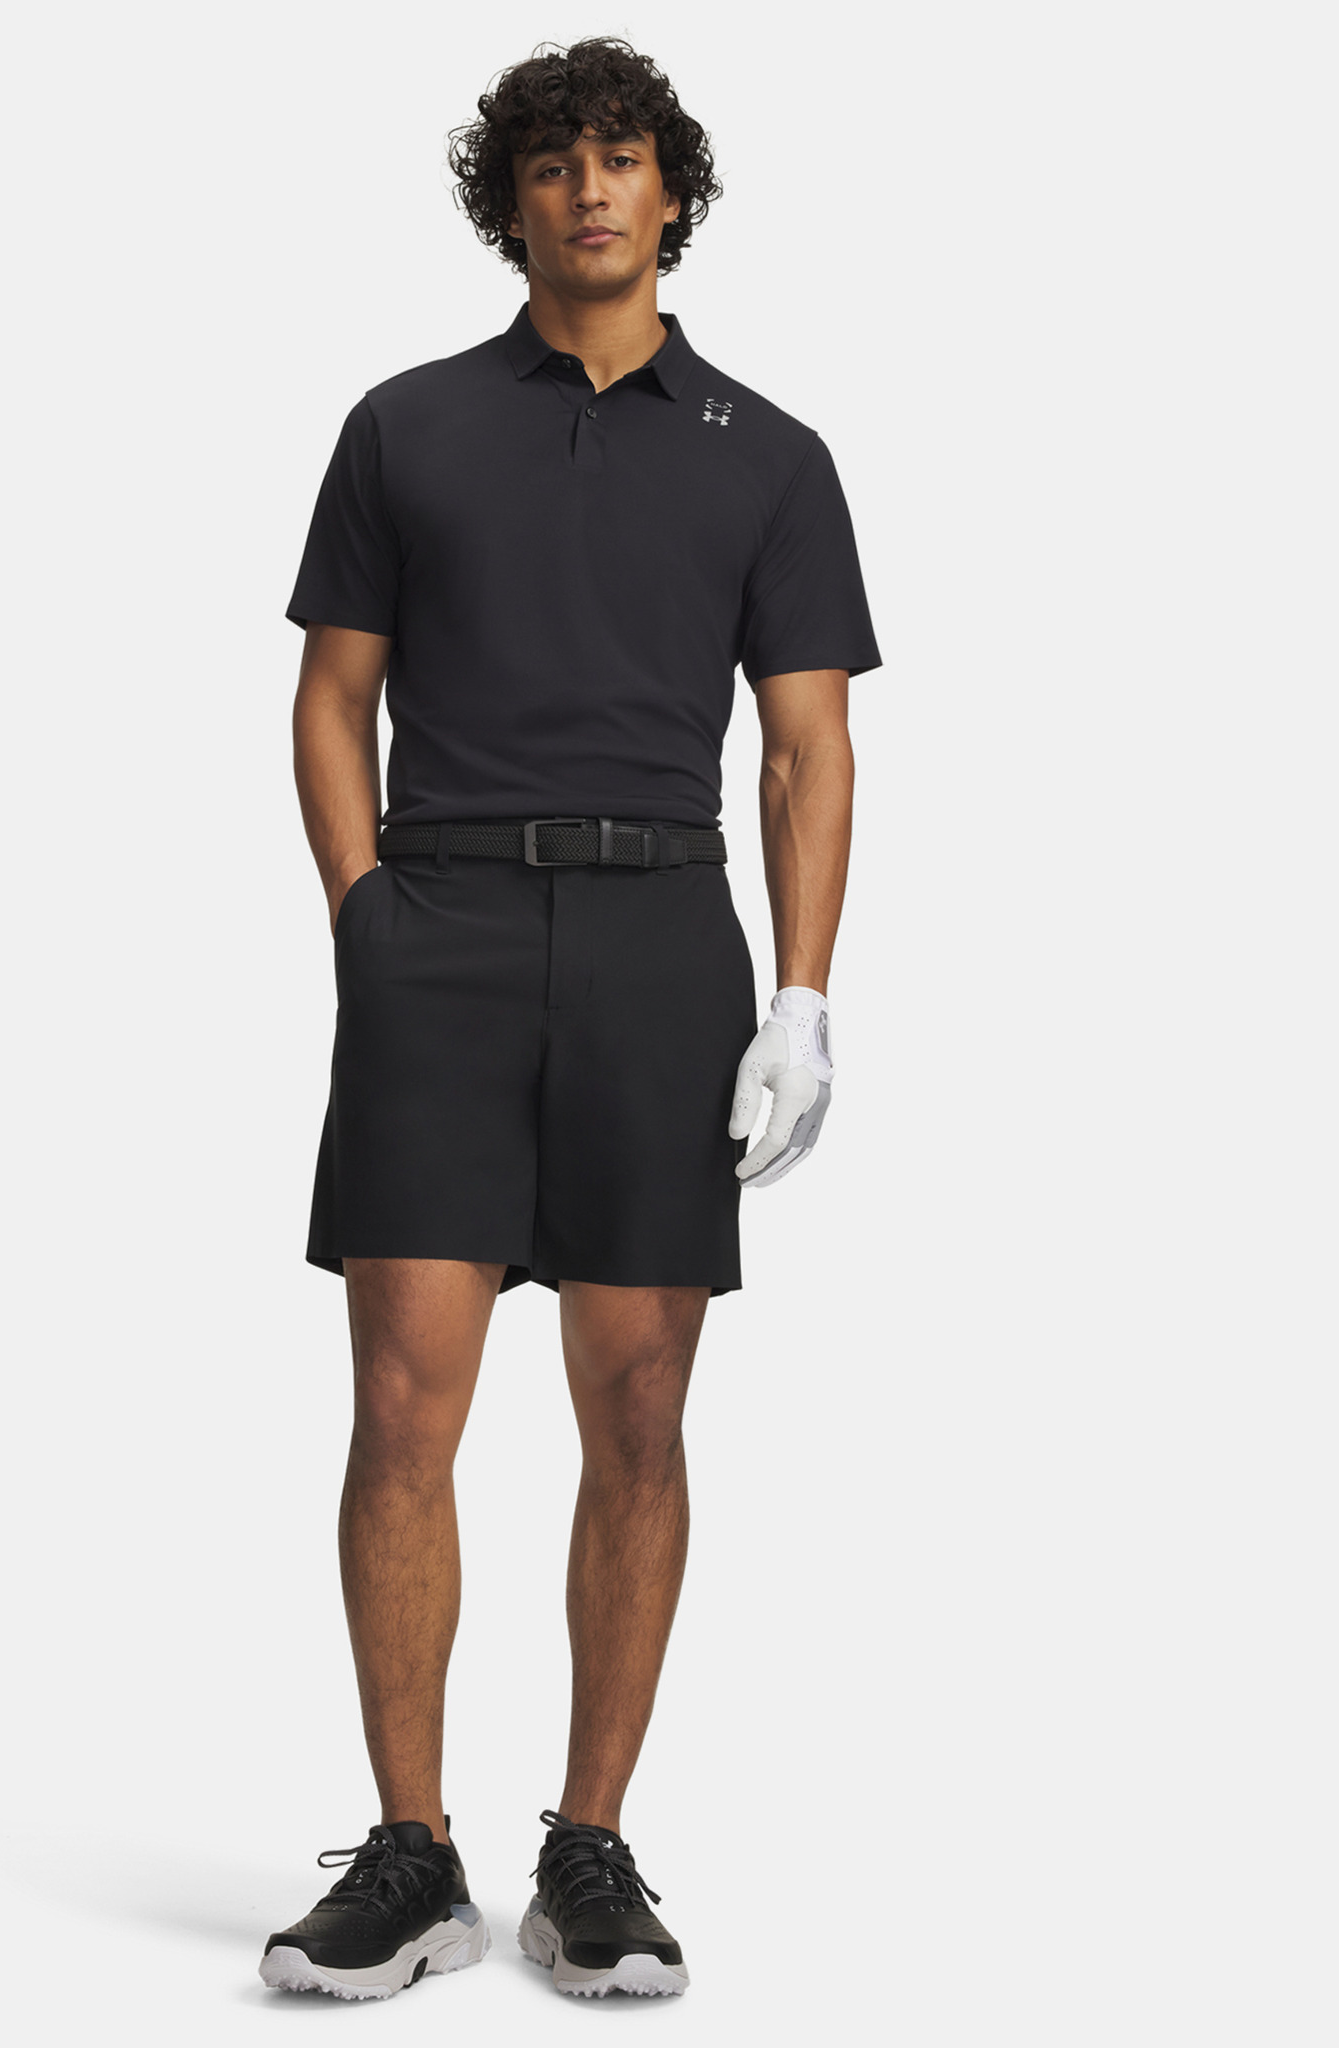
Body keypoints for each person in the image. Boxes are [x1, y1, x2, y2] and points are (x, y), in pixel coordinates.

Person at [258, 35, 881, 2003]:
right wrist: (368, 920)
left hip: (657, 936)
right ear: (510, 201)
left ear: (671, 194)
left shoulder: (771, 454)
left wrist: (802, 997)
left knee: (637, 1407)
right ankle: (413, 1853)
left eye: (622, 158)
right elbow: (329, 696)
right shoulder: (407, 426)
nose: (590, 189)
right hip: (438, 919)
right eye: (553, 162)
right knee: (401, 1404)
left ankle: (588, 1847)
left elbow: (805, 747)